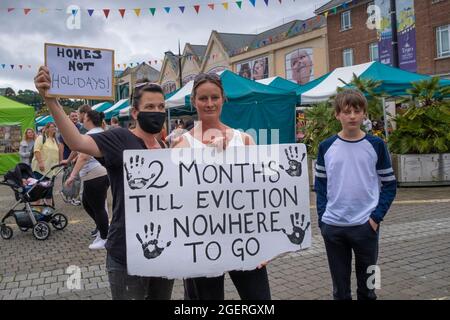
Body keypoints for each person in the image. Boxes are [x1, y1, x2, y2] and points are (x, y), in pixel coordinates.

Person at [35, 67, 174, 300]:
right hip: (125, 250)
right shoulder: (119, 138)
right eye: (150, 107)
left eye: (161, 107)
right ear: (135, 112)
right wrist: (52, 101)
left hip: (164, 250)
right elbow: (77, 141)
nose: (157, 112)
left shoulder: (166, 148)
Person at [173, 72, 271, 300]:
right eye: (203, 98)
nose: (209, 104)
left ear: (223, 98)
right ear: (193, 100)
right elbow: (176, 199)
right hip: (201, 240)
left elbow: (260, 191)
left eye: (214, 97)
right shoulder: (181, 145)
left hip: (244, 237)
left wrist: (266, 242)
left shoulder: (243, 139)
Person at [314, 89, 397, 300]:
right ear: (337, 114)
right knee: (340, 290)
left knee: (370, 285)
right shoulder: (326, 147)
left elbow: (389, 184)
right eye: (346, 111)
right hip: (334, 228)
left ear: (364, 114)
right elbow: (320, 185)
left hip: (366, 227)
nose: (352, 116)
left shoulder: (377, 145)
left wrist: (375, 219)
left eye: (357, 111)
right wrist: (323, 219)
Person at [64, 110, 110, 250]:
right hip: (96, 174)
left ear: (88, 118)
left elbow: (84, 157)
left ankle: (105, 237)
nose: (81, 118)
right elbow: (77, 148)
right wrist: (70, 160)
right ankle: (104, 230)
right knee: (88, 204)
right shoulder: (96, 132)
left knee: (97, 207)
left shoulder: (92, 135)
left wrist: (72, 175)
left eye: (83, 116)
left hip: (95, 174)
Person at [30, 122, 60, 205]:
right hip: (41, 170)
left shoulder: (54, 140)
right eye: (51, 127)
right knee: (38, 193)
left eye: (54, 127)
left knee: (49, 193)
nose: (54, 128)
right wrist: (40, 163)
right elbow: (36, 150)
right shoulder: (41, 138)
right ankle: (36, 212)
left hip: (51, 171)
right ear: (46, 129)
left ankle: (48, 212)